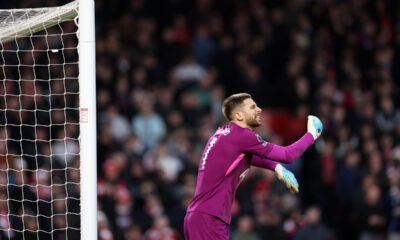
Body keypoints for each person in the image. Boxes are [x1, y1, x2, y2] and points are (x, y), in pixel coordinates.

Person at [184, 93, 323, 240]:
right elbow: (287, 155)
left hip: (201, 215)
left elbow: (250, 158)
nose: (259, 110)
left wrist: (277, 168)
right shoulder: (242, 135)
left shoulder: (222, 134)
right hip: (210, 219)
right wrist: (312, 135)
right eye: (252, 107)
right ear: (239, 115)